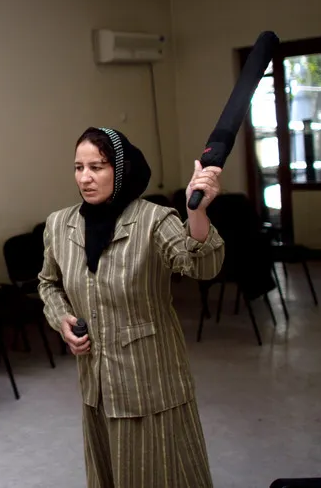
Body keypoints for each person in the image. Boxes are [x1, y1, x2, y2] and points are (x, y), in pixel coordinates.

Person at [38, 126, 225, 488]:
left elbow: (202, 266)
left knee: (164, 477)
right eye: (79, 168)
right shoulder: (60, 225)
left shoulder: (154, 220)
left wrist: (197, 212)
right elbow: (49, 283)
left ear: (120, 170)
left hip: (152, 386)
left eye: (98, 166)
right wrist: (61, 319)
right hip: (97, 386)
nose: (86, 178)